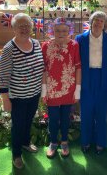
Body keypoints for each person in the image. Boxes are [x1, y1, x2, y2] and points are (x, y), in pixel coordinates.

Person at [0, 13, 44, 169]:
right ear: (14, 28)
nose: (24, 28)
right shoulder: (9, 49)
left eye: (27, 25)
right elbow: (3, 75)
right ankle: (16, 154)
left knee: (28, 121)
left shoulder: (36, 43)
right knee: (18, 125)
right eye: (20, 26)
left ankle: (25, 143)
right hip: (17, 96)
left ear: (32, 26)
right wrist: (5, 99)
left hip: (34, 93)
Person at [75, 11, 107, 154]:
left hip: (104, 78)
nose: (98, 23)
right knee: (86, 112)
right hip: (86, 78)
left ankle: (100, 143)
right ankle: (85, 142)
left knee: (101, 113)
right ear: (91, 22)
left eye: (101, 21)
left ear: (105, 24)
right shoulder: (80, 38)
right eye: (96, 20)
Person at [41, 17, 81, 158]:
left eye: (64, 30)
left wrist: (77, 90)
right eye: (57, 30)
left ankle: (64, 142)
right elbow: (44, 69)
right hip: (52, 90)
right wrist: (44, 91)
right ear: (52, 31)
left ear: (69, 31)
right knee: (53, 118)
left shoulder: (74, 45)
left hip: (68, 89)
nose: (61, 33)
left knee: (65, 118)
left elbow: (78, 68)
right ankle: (53, 143)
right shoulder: (45, 46)